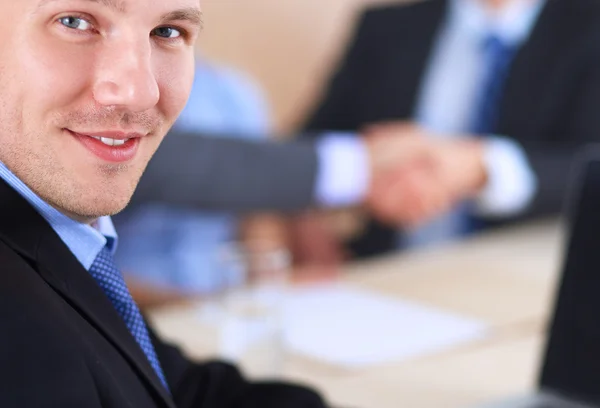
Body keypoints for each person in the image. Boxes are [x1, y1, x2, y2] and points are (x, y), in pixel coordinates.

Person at [0, 0, 329, 406]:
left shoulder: (66, 243)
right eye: (75, 22)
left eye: (168, 31)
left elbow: (181, 391)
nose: (141, 92)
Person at [293, 0, 600, 262]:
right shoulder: (385, 27)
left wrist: (482, 165)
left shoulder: (589, 29)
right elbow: (311, 145)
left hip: (520, 274)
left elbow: (588, 161)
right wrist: (309, 225)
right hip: (388, 272)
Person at [115, 58, 289, 302]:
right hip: (124, 304)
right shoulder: (110, 95)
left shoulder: (233, 92)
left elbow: (259, 216)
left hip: (221, 301)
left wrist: (258, 293)